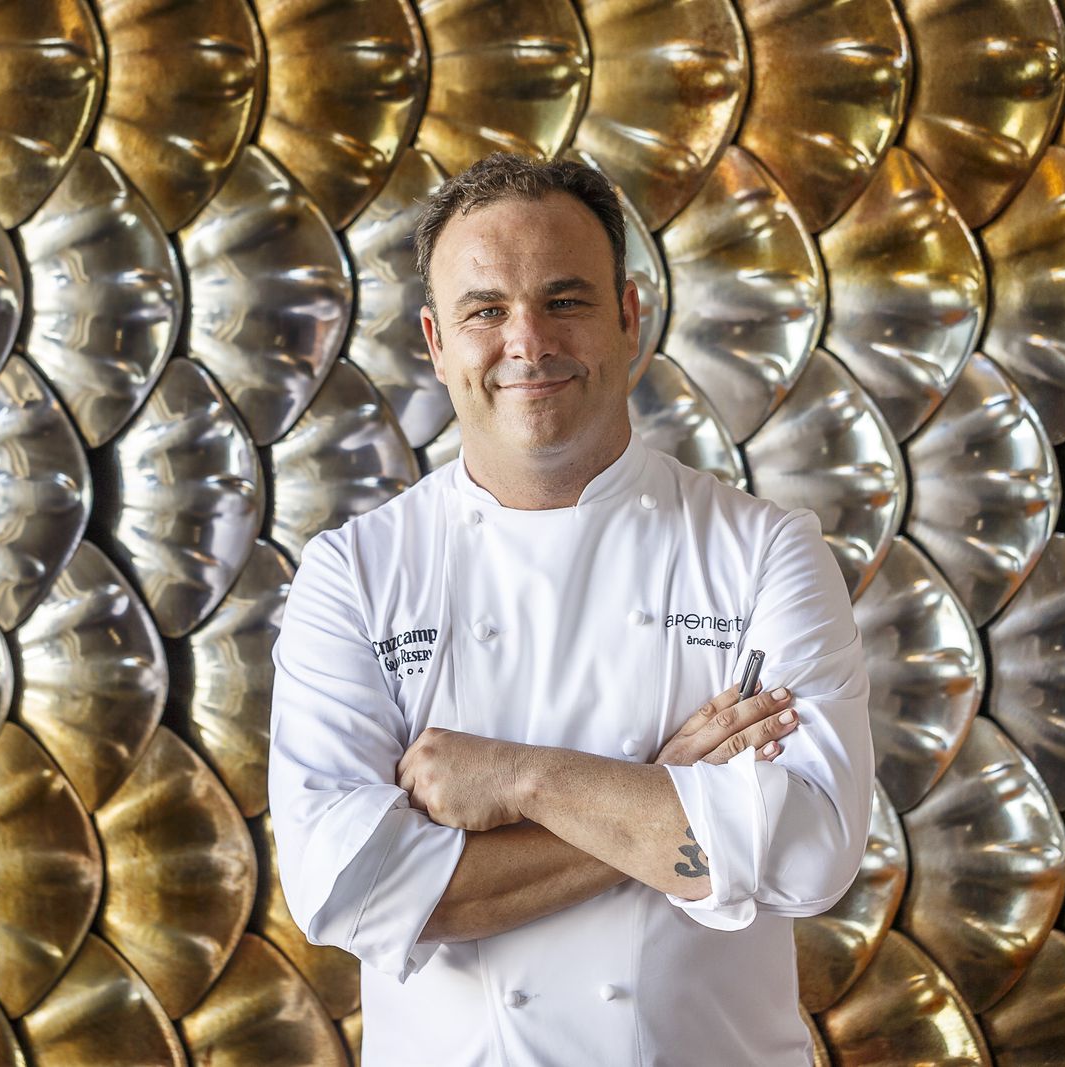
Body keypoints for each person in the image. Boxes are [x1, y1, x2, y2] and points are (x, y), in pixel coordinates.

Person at [268, 153, 873, 1066]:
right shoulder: (354, 575)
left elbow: (809, 853)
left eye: (565, 300)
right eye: (485, 310)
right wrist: (669, 791)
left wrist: (520, 779)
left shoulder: (763, 553)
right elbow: (350, 891)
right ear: (436, 342)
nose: (528, 342)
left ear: (629, 317)